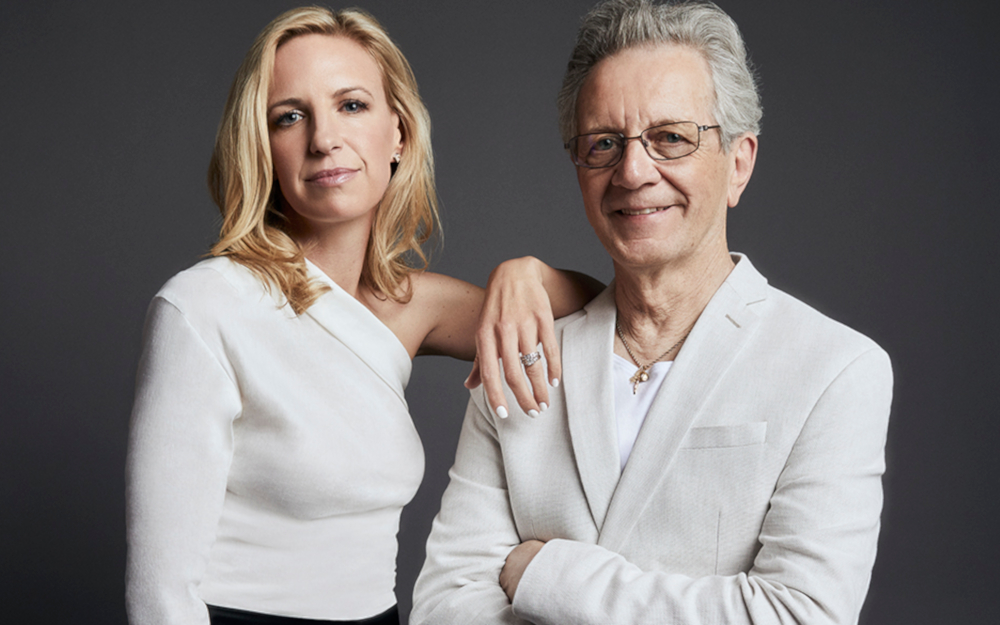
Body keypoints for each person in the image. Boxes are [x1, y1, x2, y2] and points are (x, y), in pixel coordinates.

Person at [411, 1, 893, 624]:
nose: (633, 172)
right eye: (604, 144)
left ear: (739, 163)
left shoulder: (835, 370)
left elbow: (800, 615)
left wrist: (543, 574)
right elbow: (445, 604)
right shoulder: (519, 352)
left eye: (671, 138)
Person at [124, 7, 599, 625]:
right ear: (262, 147)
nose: (324, 138)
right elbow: (159, 595)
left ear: (398, 133)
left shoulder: (412, 305)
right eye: (289, 116)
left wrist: (524, 273)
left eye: (351, 105)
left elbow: (595, 306)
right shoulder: (204, 306)